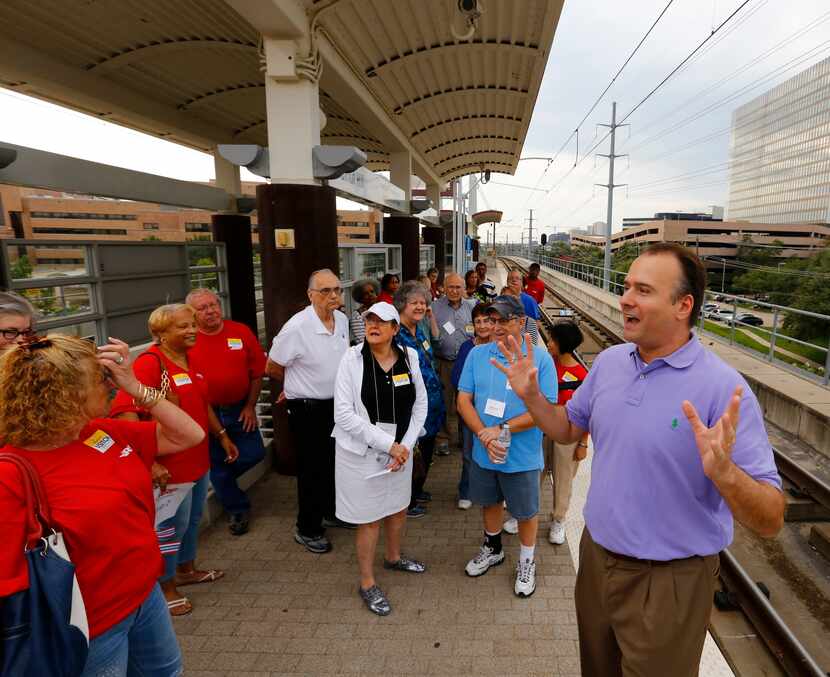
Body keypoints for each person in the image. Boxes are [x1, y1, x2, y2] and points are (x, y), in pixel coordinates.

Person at [493, 242, 785, 676]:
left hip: (669, 580)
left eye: (643, 290)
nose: (625, 298)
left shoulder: (722, 388)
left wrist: (726, 474)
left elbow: (771, 518)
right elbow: (567, 429)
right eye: (627, 286)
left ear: (683, 305)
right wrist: (533, 397)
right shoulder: (610, 363)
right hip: (597, 559)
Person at [0, 335, 205, 675]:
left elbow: (189, 435)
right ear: (66, 395)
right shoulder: (12, 471)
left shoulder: (98, 432)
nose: (111, 385)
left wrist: (137, 387)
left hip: (145, 596)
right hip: (90, 624)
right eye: (100, 378)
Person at [111, 303, 238, 616]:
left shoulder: (189, 358)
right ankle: (165, 586)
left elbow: (201, 403)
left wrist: (221, 436)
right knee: (169, 527)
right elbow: (128, 414)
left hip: (197, 460)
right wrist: (149, 462)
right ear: (160, 333)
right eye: (183, 326)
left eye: (192, 324)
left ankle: (186, 569)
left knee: (191, 520)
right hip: (170, 467)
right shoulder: (150, 364)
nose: (192, 330)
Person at [457, 295, 557, 597]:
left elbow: (547, 408)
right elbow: (463, 400)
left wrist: (500, 429)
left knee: (526, 512)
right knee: (489, 502)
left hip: (521, 454)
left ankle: (527, 561)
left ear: (520, 321)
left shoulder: (539, 359)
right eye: (492, 320)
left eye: (503, 320)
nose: (495, 326)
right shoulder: (478, 355)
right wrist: (484, 435)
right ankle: (493, 547)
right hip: (484, 450)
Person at [332, 301, 429, 616]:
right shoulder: (351, 359)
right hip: (362, 454)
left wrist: (406, 445)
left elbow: (420, 407)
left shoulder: (409, 357)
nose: (373, 325)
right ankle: (367, 581)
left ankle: (393, 557)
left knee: (398, 508)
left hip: (400, 451)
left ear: (394, 329)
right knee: (369, 518)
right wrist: (391, 445)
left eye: (381, 321)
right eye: (369, 320)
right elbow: (344, 415)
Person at [266, 268, 350, 553]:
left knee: (334, 463)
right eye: (325, 291)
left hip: (336, 405)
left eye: (337, 290)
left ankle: (329, 512)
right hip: (307, 408)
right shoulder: (297, 326)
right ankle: (307, 528)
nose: (333, 296)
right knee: (312, 469)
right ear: (310, 294)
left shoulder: (341, 320)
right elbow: (272, 366)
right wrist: (293, 387)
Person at [187, 288, 267, 536]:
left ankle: (220, 478)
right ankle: (237, 508)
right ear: (192, 314)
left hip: (240, 409)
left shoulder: (240, 332)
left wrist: (250, 406)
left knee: (254, 454)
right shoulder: (187, 340)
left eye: (213, 305)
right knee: (217, 466)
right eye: (203, 308)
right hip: (204, 414)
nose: (211, 311)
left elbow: (256, 372)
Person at [393, 281, 446, 518]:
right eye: (414, 302)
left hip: (431, 406)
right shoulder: (396, 335)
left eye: (423, 303)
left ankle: (418, 489)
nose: (420, 307)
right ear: (402, 305)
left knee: (426, 451)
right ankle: (408, 500)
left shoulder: (419, 329)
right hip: (413, 407)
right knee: (414, 453)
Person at [543, 321, 590, 545]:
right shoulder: (546, 365)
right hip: (542, 430)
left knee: (563, 479)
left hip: (569, 434)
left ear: (564, 343)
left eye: (552, 339)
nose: (548, 343)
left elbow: (588, 412)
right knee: (534, 473)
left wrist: (583, 443)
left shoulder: (581, 375)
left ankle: (558, 520)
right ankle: (522, 514)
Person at [450, 303, 494, 510]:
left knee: (496, 450)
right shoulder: (468, 347)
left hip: (496, 412)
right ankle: (466, 490)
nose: (483, 326)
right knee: (468, 453)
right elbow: (457, 378)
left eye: (487, 321)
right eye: (478, 322)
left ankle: (497, 492)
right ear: (473, 325)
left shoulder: (501, 346)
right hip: (471, 409)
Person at [431, 273, 475, 456]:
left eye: (458, 287)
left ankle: (465, 437)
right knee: (444, 400)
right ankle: (443, 439)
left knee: (466, 401)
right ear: (444, 288)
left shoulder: (472, 307)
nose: (455, 291)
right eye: (451, 287)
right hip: (444, 362)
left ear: (464, 289)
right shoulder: (434, 307)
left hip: (467, 363)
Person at [506, 269, 541, 344]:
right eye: (511, 278)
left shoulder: (529, 301)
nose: (514, 280)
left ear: (522, 283)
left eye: (517, 278)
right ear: (507, 282)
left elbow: (536, 323)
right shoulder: (502, 299)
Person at [349, 278, 380, 345]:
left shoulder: (382, 309)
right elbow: (362, 341)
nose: (370, 295)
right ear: (360, 297)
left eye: (372, 291)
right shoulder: (357, 316)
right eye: (366, 293)